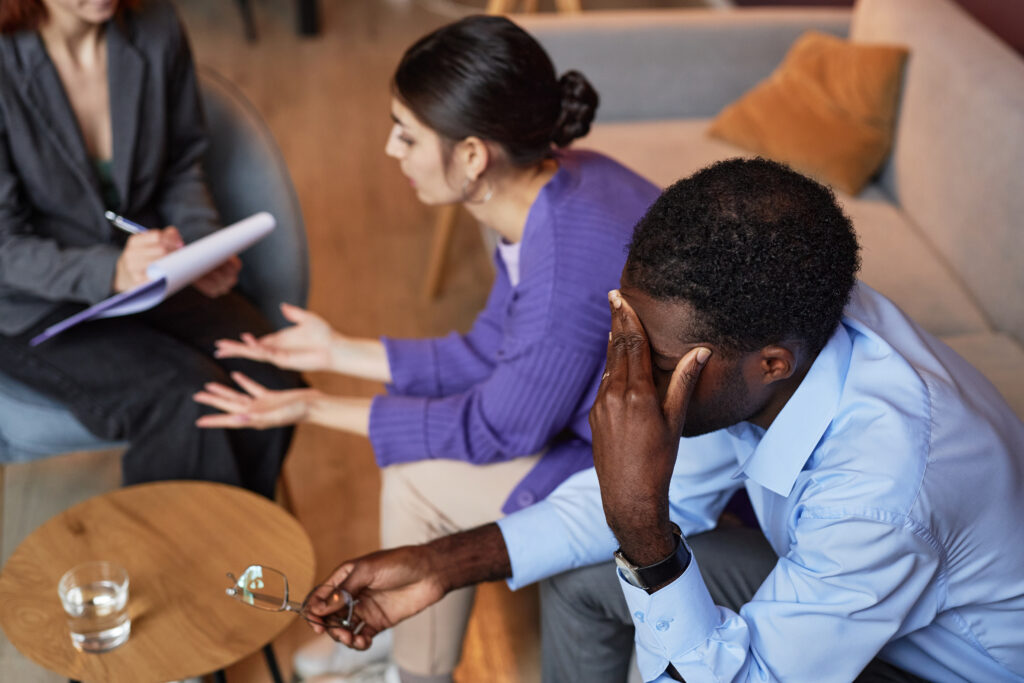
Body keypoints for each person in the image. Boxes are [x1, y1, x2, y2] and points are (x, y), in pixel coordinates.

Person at [298, 158, 1024, 682]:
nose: (623, 387)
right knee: (588, 578)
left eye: (656, 359)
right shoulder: (771, 335)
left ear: (771, 362)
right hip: (848, 582)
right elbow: (628, 510)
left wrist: (643, 528)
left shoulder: (883, 487)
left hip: (930, 660)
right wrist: (438, 563)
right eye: (626, 338)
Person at [193, 15, 660, 683]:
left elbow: (498, 424)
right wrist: (336, 350)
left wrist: (311, 406)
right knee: (416, 471)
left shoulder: (560, 267)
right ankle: (405, 646)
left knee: (419, 480)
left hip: (654, 474)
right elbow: (487, 350)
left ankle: (412, 669)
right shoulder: (557, 184)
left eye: (407, 134)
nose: (391, 149)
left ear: (472, 156)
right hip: (613, 425)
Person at [0, 0, 302, 499]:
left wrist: (200, 247)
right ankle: (189, 567)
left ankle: (239, 549)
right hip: (32, 302)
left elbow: (181, 163)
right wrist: (110, 271)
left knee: (267, 372)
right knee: (186, 399)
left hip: (147, 268)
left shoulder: (155, 27)